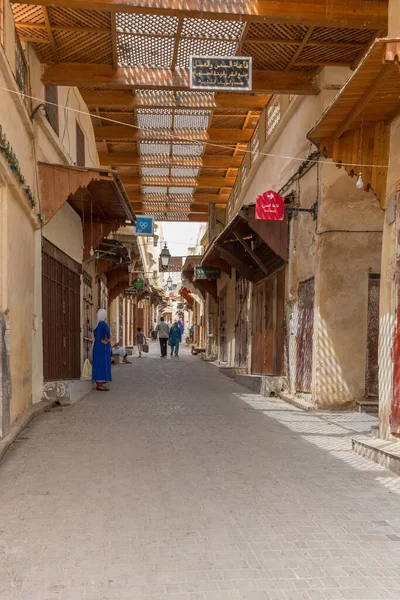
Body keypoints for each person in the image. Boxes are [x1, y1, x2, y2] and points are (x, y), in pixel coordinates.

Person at [92, 308, 112, 391]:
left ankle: (98, 383)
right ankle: (100, 384)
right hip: (103, 347)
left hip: (97, 345)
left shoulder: (95, 325)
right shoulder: (103, 324)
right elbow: (108, 332)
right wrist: (107, 339)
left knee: (97, 363)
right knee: (103, 363)